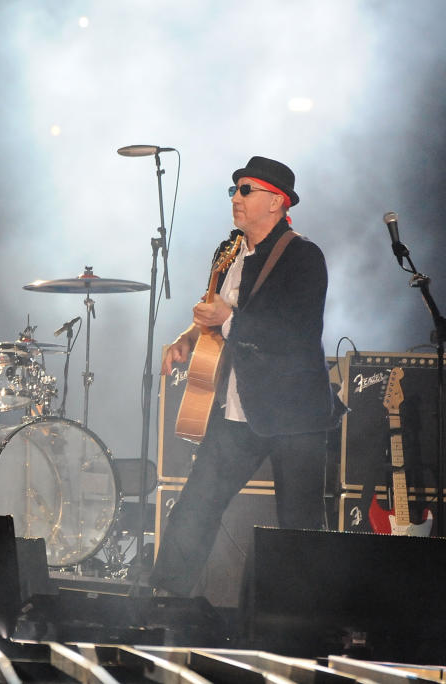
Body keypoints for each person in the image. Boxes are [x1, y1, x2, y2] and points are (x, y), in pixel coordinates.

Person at [148, 156, 344, 598]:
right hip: (239, 408)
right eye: (234, 190)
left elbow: (296, 330)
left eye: (246, 190)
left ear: (276, 202)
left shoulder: (303, 256)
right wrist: (186, 338)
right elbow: (216, 310)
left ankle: (301, 621)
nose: (236, 198)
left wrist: (228, 318)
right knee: (196, 505)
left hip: (296, 415)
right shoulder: (233, 252)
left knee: (299, 527)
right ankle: (164, 604)